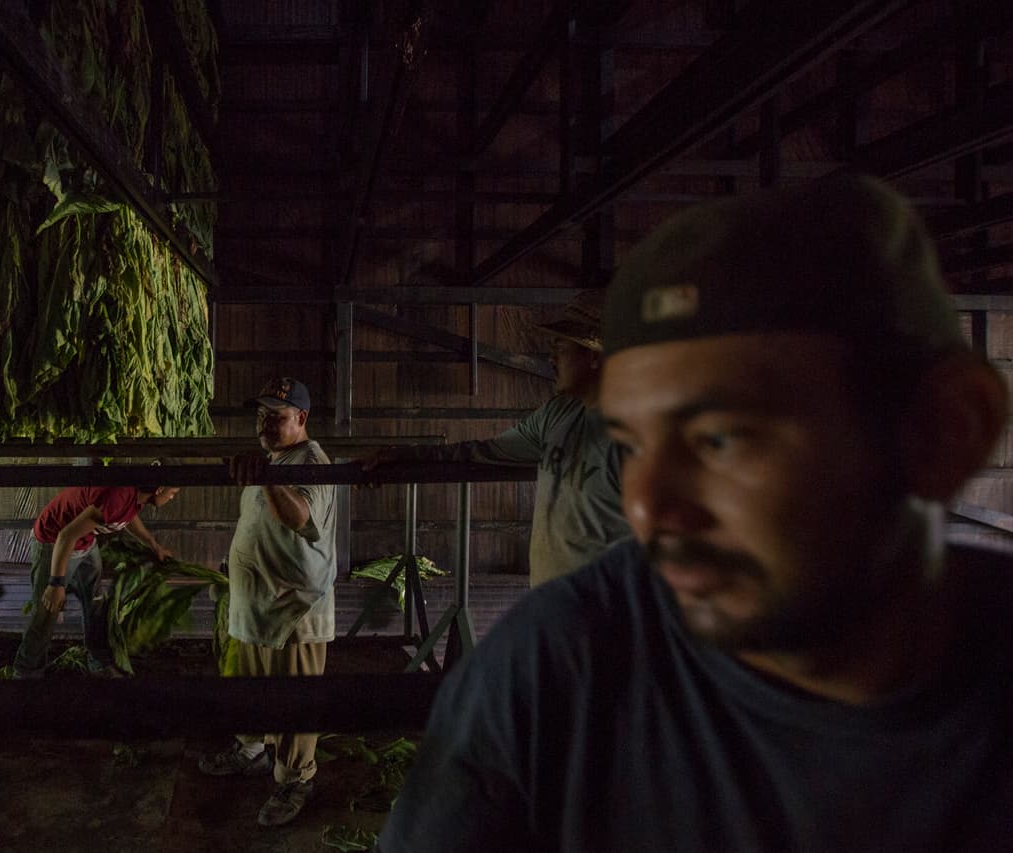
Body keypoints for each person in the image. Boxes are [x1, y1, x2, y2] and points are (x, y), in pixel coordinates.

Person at [376, 175, 1013, 851]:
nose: (647, 505)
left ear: (948, 427)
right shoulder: (556, 669)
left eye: (720, 438)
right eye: (631, 443)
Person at [363, 291, 629, 587]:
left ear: (594, 356)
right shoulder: (557, 415)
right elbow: (483, 451)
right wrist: (409, 455)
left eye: (562, 348)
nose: (552, 359)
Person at [198, 377, 337, 827]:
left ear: (301, 419)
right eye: (261, 416)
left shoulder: (310, 461)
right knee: (253, 688)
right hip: (257, 605)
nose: (265, 424)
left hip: (295, 607)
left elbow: (301, 518)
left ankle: (296, 778)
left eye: (276, 417)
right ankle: (253, 748)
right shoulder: (272, 459)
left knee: (294, 700)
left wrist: (268, 477)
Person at [12, 484, 178, 678]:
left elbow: (127, 516)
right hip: (54, 542)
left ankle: (99, 662)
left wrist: (153, 544)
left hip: (85, 543)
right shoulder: (118, 495)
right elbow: (66, 535)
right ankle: (26, 674)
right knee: (47, 610)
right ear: (159, 489)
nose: (172, 497)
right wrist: (56, 583)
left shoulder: (135, 496)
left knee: (96, 603)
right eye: (173, 493)